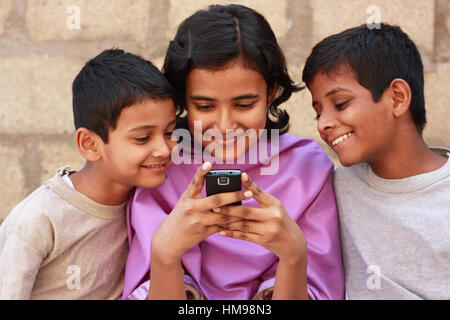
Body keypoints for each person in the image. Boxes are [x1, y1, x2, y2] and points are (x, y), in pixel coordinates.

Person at [122, 4, 344, 300]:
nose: (225, 126)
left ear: (271, 93)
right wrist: (164, 253)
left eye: (243, 105)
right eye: (204, 106)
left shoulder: (307, 169)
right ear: (183, 99)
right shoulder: (163, 166)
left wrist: (293, 255)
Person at [0, 49, 179, 299]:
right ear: (90, 144)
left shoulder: (147, 204)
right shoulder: (39, 221)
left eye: (170, 133)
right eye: (142, 138)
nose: (163, 149)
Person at [302, 23, 450, 299]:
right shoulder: (335, 188)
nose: (323, 124)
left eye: (341, 104)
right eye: (318, 112)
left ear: (397, 98)